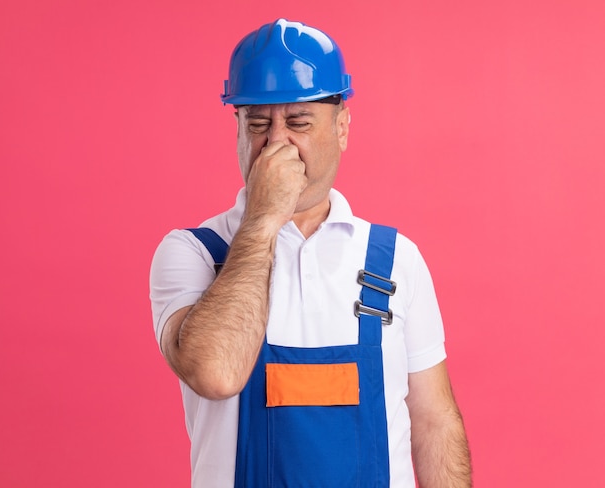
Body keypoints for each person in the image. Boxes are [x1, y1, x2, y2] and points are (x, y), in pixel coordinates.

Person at [150, 18, 472, 488]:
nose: (277, 142)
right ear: (238, 129)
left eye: (299, 122)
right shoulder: (193, 253)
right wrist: (262, 219)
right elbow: (216, 374)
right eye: (258, 124)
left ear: (341, 128)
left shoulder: (395, 259)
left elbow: (434, 422)